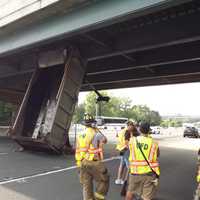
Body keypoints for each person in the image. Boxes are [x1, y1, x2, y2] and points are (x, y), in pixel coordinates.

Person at [75, 113, 109, 200]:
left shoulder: (79, 135)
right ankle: (98, 198)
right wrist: (97, 129)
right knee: (104, 180)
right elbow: (105, 140)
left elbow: (77, 150)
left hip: (82, 162)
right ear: (93, 123)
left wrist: (78, 164)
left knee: (87, 186)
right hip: (94, 162)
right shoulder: (96, 133)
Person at [125, 122, 160, 200]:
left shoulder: (132, 141)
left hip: (135, 172)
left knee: (130, 191)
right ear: (149, 131)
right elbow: (157, 154)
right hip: (149, 173)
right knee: (147, 196)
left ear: (139, 130)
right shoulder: (154, 143)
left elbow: (128, 147)